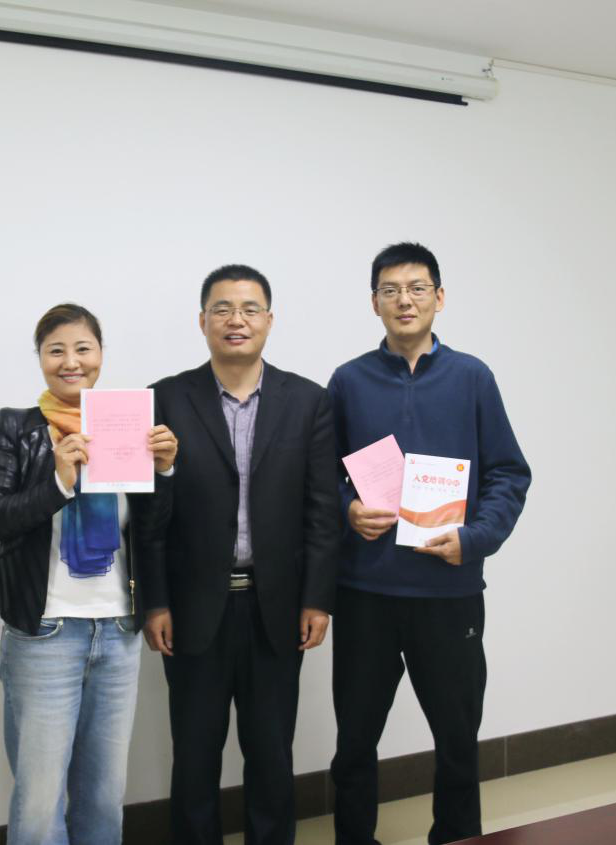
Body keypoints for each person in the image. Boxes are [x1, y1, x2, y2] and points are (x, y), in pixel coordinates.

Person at [327, 242, 531, 845]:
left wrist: (474, 538)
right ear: (374, 303)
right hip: (365, 592)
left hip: (449, 591)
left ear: (439, 298)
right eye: (390, 290)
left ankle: (458, 837)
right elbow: (319, 477)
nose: (404, 301)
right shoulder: (348, 381)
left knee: (457, 740)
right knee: (355, 742)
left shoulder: (473, 377)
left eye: (417, 288)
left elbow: (509, 474)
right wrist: (347, 509)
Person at [140, 265, 340, 845]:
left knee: (272, 755)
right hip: (192, 608)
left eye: (250, 309)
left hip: (276, 607)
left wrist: (317, 598)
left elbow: (321, 510)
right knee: (193, 757)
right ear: (202, 321)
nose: (236, 320)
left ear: (269, 321)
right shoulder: (164, 399)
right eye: (222, 309)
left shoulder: (308, 401)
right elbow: (148, 515)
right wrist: (154, 601)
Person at [0, 303, 178, 845]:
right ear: (40, 358)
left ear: (101, 355)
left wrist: (164, 471)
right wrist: (59, 483)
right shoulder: (16, 427)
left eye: (83, 348)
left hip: (117, 630)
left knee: (104, 794)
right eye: (56, 350)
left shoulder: (128, 426)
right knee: (41, 800)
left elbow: (153, 529)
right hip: (45, 632)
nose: (71, 361)